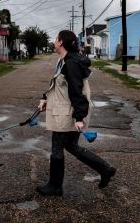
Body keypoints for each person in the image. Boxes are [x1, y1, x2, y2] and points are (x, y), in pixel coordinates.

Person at [36, 30, 116, 196]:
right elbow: (59, 86)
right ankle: (105, 169)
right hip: (66, 110)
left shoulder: (71, 63)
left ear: (61, 42)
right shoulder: (65, 61)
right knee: (71, 146)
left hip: (66, 113)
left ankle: (55, 186)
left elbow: (76, 91)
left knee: (57, 148)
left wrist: (79, 117)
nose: (54, 40)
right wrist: (45, 99)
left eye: (56, 38)